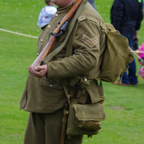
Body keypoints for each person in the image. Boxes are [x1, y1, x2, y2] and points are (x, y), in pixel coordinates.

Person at [20, 0, 107, 144]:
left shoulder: (86, 18)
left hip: (62, 102)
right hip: (44, 98)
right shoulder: (65, 11)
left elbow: (88, 58)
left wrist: (50, 69)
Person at [111, 0, 143, 86]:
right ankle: (132, 79)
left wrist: (114, 30)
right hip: (131, 29)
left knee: (121, 55)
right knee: (129, 54)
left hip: (122, 29)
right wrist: (136, 28)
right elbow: (140, 15)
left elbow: (118, 15)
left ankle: (123, 79)